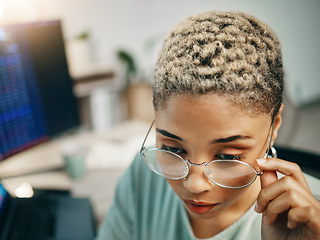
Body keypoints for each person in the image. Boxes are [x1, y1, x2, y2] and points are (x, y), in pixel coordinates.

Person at [96, 10, 320, 239]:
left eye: (228, 157)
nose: (194, 185)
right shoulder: (143, 176)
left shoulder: (308, 221)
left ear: (274, 127)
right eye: (173, 150)